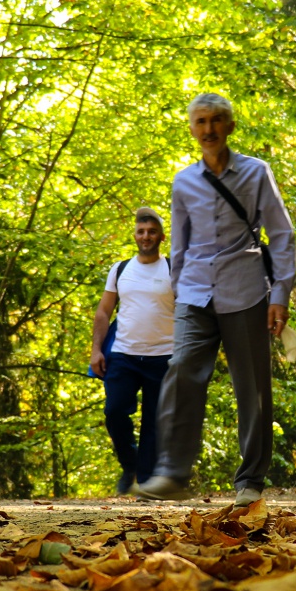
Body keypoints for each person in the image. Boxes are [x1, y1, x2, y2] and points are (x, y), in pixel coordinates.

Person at [135, 93, 296, 508]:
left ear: (230, 126)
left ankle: (250, 481)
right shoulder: (184, 181)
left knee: (252, 387)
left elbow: (281, 234)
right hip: (194, 293)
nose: (208, 129)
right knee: (181, 369)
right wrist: (177, 288)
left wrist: (280, 294)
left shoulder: (257, 173)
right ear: (192, 128)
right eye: (201, 121)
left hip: (245, 290)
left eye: (216, 120)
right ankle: (172, 473)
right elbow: (180, 241)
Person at [90, 207, 174, 495]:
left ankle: (146, 485)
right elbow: (103, 312)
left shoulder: (173, 269)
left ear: (161, 237)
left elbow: (190, 312)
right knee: (114, 411)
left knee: (154, 422)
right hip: (123, 355)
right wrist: (96, 350)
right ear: (135, 235)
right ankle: (130, 464)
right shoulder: (120, 269)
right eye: (141, 231)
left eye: (152, 231)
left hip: (164, 357)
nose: (146, 236)